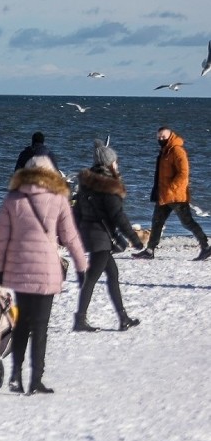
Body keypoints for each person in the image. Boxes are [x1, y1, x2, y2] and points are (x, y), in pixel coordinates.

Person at [0, 155, 87, 395]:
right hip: (46, 270)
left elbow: (2, 239)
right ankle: (36, 379)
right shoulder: (58, 199)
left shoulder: (12, 199)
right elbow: (70, 236)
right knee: (41, 327)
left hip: (19, 268)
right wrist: (81, 265)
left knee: (22, 323)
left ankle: (16, 375)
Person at [73, 140, 144, 332]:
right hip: (100, 238)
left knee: (112, 274)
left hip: (91, 234)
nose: (117, 165)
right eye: (115, 162)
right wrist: (134, 239)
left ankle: (123, 318)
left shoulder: (86, 183)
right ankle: (80, 320)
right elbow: (118, 216)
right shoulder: (108, 185)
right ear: (109, 163)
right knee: (92, 278)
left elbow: (76, 211)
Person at [133, 126, 211, 261]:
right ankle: (150, 250)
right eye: (159, 137)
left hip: (176, 196)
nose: (160, 139)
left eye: (163, 136)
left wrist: (172, 188)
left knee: (187, 223)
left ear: (171, 136)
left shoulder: (177, 150)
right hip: (163, 195)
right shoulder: (165, 151)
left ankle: (205, 247)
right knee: (157, 222)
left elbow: (184, 173)